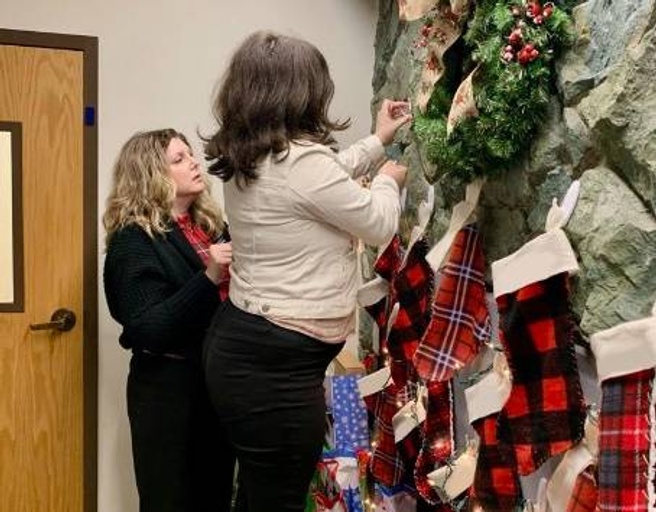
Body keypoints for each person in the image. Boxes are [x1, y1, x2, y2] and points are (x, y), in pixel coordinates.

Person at [202, 30, 411, 512]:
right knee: (276, 500)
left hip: (246, 349)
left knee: (258, 495)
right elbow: (378, 222)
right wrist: (386, 183)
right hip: (274, 368)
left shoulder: (251, 154)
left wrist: (377, 141)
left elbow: (325, 178)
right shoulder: (299, 163)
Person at [102, 129, 237, 512]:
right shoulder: (134, 240)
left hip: (212, 388)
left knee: (214, 496)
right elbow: (149, 328)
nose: (194, 162)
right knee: (171, 501)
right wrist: (209, 276)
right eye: (178, 159)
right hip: (168, 396)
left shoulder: (208, 226)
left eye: (190, 155)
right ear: (151, 175)